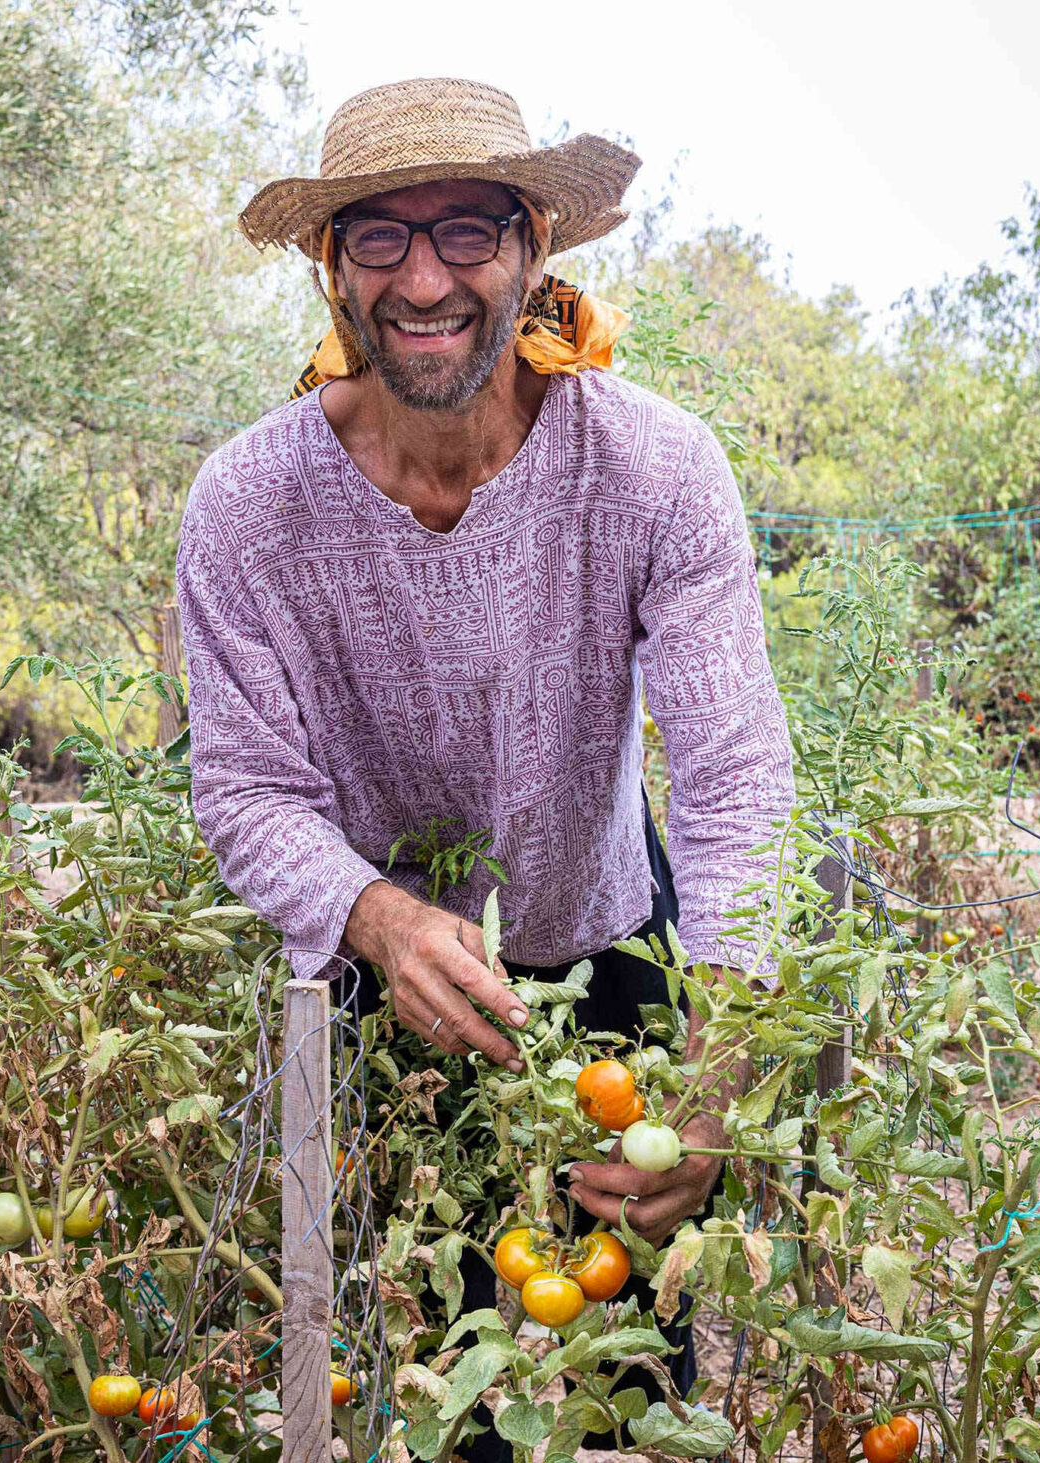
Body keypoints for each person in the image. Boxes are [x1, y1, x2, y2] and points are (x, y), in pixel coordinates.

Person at [176, 76, 795, 1455]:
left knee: (630, 1378)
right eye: (379, 240)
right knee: (430, 1374)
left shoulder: (652, 471)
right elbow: (247, 790)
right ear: (328, 270)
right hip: (382, 990)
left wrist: (718, 1064)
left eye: (465, 230)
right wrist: (378, 920)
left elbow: (733, 777)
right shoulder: (249, 505)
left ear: (531, 251)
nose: (424, 278)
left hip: (609, 967)